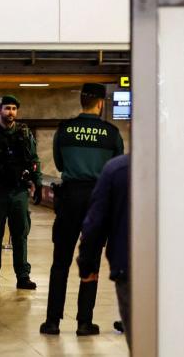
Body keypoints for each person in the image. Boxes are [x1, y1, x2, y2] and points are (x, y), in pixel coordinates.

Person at [40, 83, 124, 336]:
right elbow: (116, 168)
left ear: (81, 101)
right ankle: (84, 322)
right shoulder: (111, 133)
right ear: (100, 103)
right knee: (91, 261)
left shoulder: (64, 131)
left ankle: (52, 321)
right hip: (97, 199)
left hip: (70, 197)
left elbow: (58, 162)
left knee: (60, 262)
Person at [0, 94, 42, 290]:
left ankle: (23, 276)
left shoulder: (24, 132)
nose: (10, 112)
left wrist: (36, 183)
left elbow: (34, 159)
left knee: (20, 235)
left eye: (13, 108)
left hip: (18, 190)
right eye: (7, 108)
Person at [78, 154, 131, 349]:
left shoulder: (117, 169)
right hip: (180, 270)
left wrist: (87, 265)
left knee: (141, 341)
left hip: (128, 267)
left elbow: (94, 224)